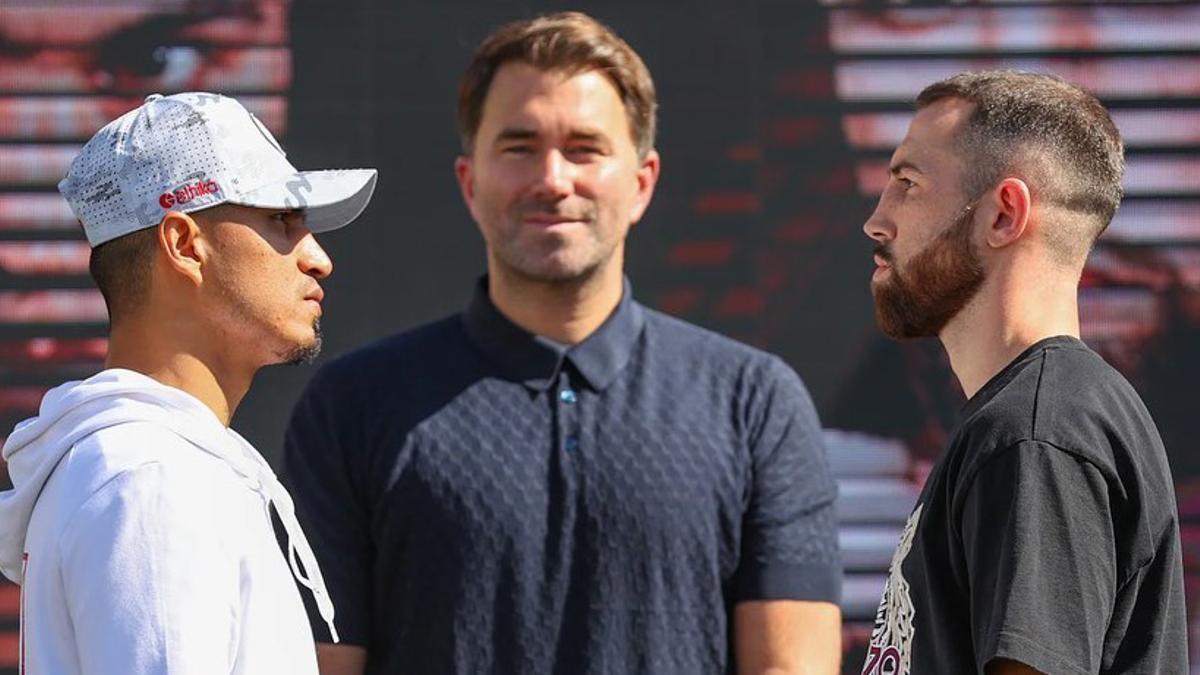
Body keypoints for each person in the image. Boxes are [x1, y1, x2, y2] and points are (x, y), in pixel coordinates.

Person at [284, 11, 841, 675]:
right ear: (469, 182)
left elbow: (791, 664)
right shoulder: (353, 405)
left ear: (641, 182)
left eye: (584, 148)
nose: (552, 179)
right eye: (519, 147)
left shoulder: (754, 403)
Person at [0, 92, 377, 673]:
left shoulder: (152, 465)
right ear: (183, 245)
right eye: (280, 218)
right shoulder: (152, 477)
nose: (317, 258)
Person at [860, 70, 1187, 674]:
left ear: (1004, 215)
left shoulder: (1034, 434)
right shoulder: (1036, 418)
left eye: (907, 184)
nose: (877, 222)